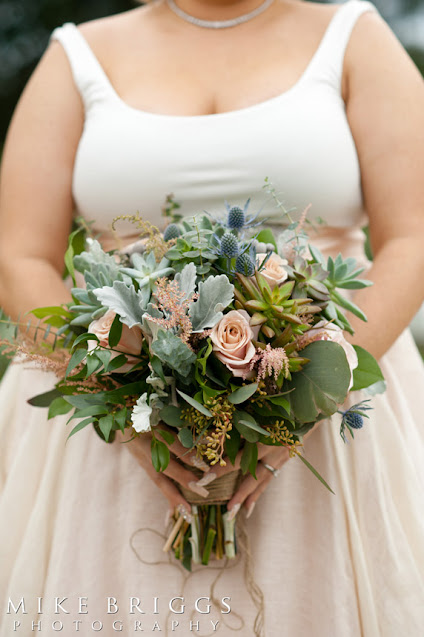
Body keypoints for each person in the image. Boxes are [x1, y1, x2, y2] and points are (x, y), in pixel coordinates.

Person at [0, 0, 423, 634]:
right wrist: (123, 409)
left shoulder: (354, 37)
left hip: (330, 425)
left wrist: (303, 404)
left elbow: (413, 236)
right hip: (113, 423)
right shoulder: (77, 57)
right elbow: (20, 255)